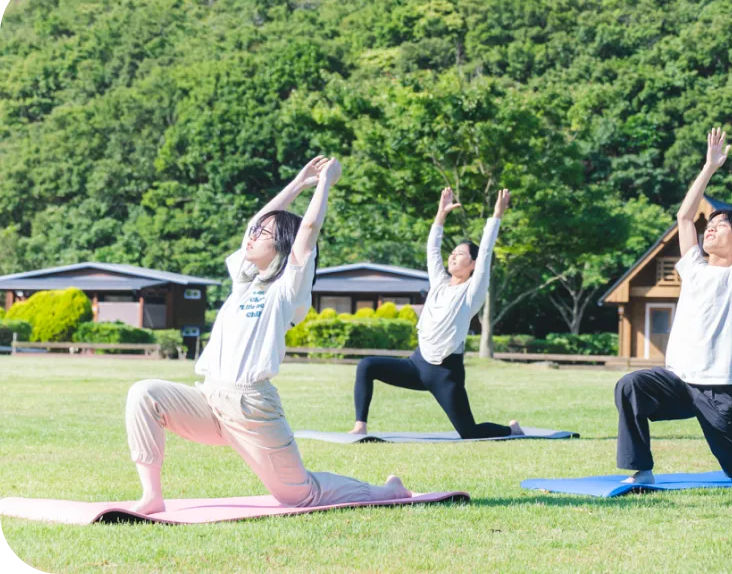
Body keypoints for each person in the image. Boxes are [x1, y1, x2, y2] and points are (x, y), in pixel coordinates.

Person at [126, 156, 411, 515]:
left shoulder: (288, 289)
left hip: (252, 408)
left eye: (264, 235)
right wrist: (298, 183)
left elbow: (308, 229)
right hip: (209, 400)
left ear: (282, 245)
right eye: (255, 232)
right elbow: (254, 223)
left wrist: (325, 183)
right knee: (144, 393)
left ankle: (386, 491)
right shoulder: (244, 282)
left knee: (299, 495)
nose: (253, 236)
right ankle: (152, 496)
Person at [615, 127, 732, 484]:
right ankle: (642, 471)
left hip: (716, 390)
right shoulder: (693, 269)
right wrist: (709, 166)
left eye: (721, 225)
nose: (710, 229)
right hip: (676, 383)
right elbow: (685, 218)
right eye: (710, 225)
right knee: (630, 385)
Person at [349, 187, 524, 439]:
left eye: (460, 254)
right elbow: (432, 249)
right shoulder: (439, 283)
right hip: (416, 365)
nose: (453, 257)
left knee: (469, 432)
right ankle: (360, 426)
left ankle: (512, 430)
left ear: (473, 265)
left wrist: (497, 215)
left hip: (445, 374)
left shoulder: (471, 292)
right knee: (367, 366)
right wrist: (440, 215)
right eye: (452, 253)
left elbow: (485, 251)